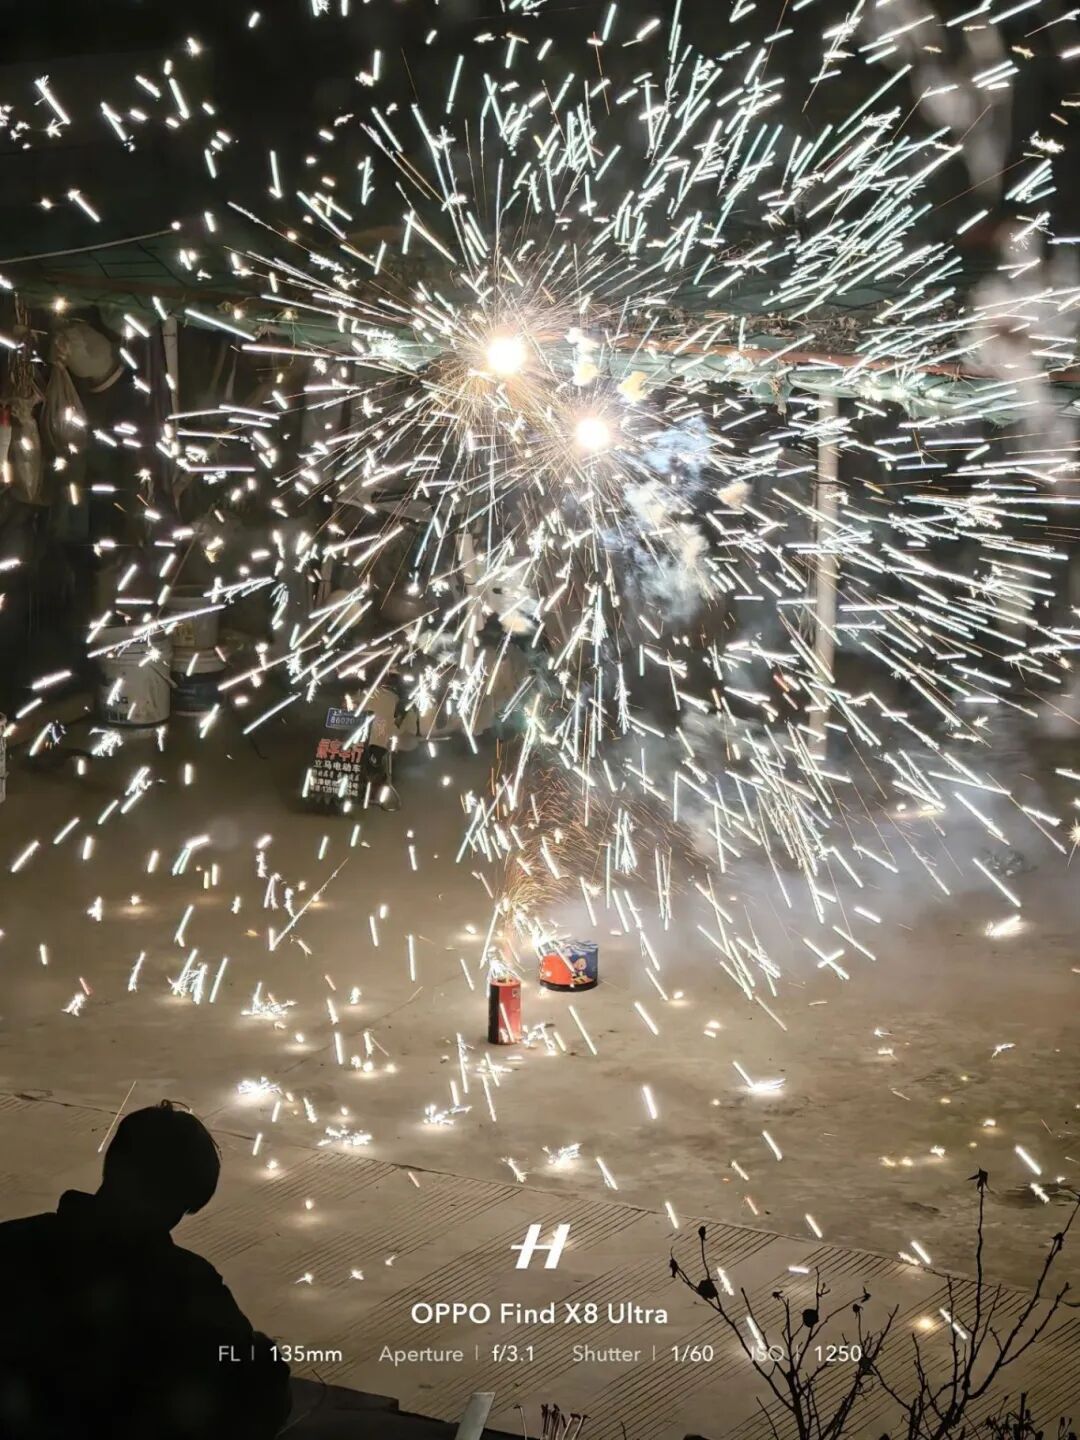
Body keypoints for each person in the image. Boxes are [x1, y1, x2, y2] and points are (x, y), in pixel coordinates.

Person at [0, 1100, 291, 1439]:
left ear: (113, 1166)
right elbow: (261, 1396)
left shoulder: (13, 1243)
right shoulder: (187, 1287)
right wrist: (263, 1354)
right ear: (182, 1203)